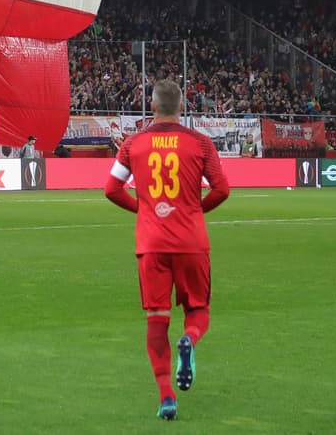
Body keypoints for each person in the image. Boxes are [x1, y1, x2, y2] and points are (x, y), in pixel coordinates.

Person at [104, 78, 231, 422]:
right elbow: (222, 189)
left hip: (152, 245)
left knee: (156, 322)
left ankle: (167, 399)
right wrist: (193, 211)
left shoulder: (133, 144)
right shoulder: (201, 143)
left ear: (153, 106)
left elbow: (111, 189)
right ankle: (189, 339)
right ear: (181, 107)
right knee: (198, 309)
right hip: (191, 241)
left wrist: (144, 209)